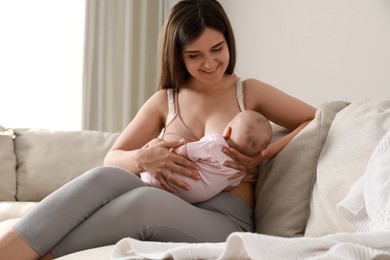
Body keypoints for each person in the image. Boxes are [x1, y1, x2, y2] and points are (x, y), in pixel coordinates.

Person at [0, 0, 316, 259]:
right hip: (168, 200)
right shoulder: (165, 101)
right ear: (177, 55)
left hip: (224, 218)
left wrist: (262, 155)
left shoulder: (248, 91)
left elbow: (314, 118)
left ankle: (40, 256)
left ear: (228, 42)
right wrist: (143, 158)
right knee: (106, 177)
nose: (209, 63)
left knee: (143, 203)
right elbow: (113, 158)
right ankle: (9, 250)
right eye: (195, 55)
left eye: (217, 49)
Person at [141, 110, 273, 203]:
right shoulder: (239, 171)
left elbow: (183, 152)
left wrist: (176, 147)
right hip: (186, 196)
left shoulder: (215, 143)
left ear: (228, 130)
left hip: (158, 178)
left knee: (157, 143)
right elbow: (228, 187)